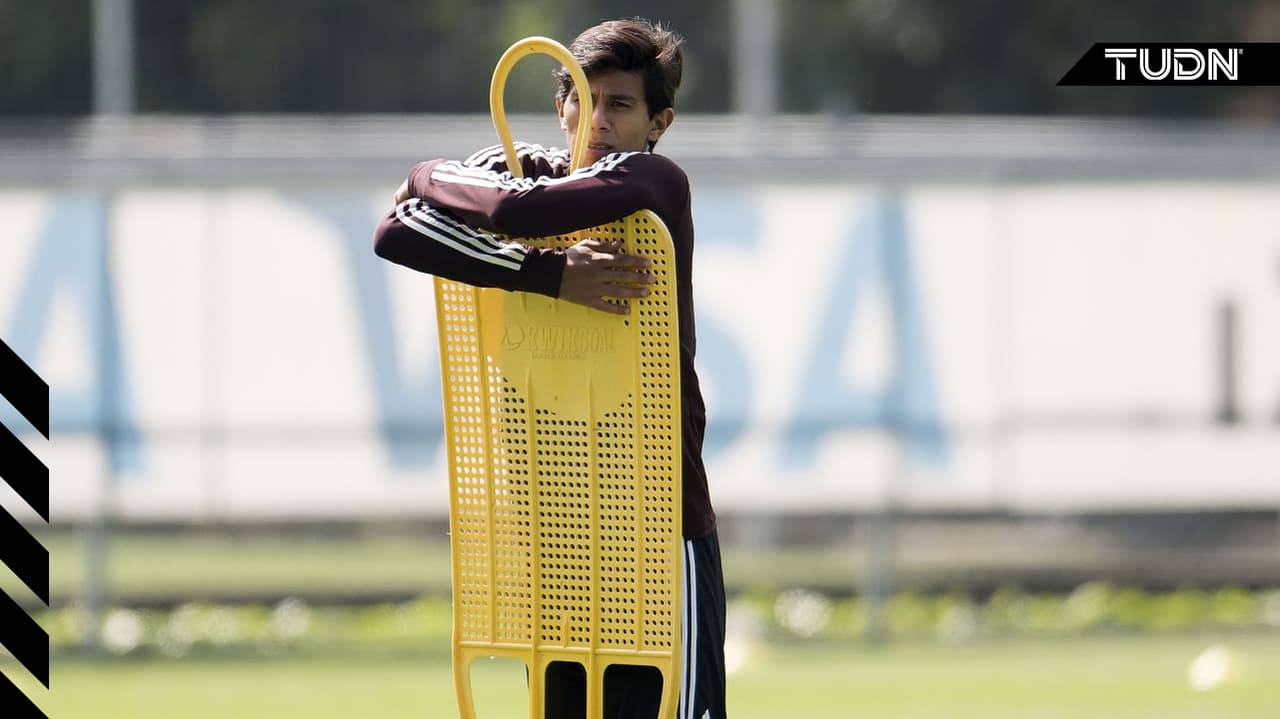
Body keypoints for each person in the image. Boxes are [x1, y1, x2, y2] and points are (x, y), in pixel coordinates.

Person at [372, 18, 726, 719]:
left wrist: (423, 176)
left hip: (658, 534)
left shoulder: (653, 178)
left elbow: (509, 210)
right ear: (561, 104)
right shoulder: (521, 167)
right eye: (584, 100)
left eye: (620, 105)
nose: (598, 121)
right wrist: (547, 274)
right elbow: (396, 230)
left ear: (659, 123)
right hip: (559, 538)